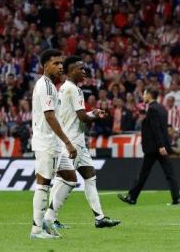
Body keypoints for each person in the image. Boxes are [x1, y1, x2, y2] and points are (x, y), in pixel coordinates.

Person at [43, 56, 120, 230]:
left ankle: (99, 218)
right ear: (70, 71)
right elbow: (82, 117)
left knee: (90, 176)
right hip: (72, 143)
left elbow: (74, 114)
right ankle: (49, 217)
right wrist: (95, 115)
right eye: (80, 68)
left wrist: (91, 112)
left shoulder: (62, 88)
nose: (84, 71)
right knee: (67, 181)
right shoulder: (74, 90)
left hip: (75, 141)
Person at [30, 49, 77, 240]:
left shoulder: (50, 86)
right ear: (45, 65)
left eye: (61, 63)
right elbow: (49, 116)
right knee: (43, 184)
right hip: (47, 143)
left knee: (70, 178)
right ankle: (36, 230)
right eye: (56, 63)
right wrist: (68, 142)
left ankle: (48, 219)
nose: (61, 67)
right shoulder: (46, 86)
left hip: (53, 143)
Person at [118, 89, 180, 206]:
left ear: (149, 95)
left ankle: (132, 197)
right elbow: (163, 128)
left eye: (144, 93)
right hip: (161, 147)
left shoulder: (152, 109)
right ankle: (176, 198)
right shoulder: (162, 108)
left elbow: (156, 128)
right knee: (169, 173)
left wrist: (160, 146)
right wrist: (164, 145)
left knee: (143, 174)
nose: (143, 96)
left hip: (154, 148)